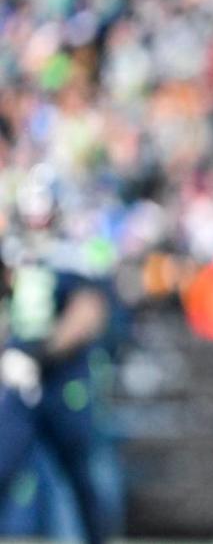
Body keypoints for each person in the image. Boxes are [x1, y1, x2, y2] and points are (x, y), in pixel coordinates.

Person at [0, 165, 111, 544]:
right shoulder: (14, 253)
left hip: (63, 381)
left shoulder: (75, 253)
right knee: (2, 467)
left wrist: (38, 354)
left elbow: (87, 316)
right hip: (18, 381)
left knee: (80, 476)